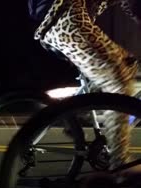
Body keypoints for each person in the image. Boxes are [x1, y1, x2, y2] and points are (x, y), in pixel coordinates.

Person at [30, 0, 141, 174]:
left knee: (129, 66)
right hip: (64, 16)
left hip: (75, 18)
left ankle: (77, 114)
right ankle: (120, 161)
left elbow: (133, 6)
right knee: (119, 81)